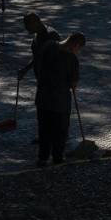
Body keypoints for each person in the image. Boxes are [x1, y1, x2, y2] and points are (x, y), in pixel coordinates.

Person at [36, 32, 86, 166]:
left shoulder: (49, 46)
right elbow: (73, 83)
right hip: (60, 101)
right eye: (79, 48)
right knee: (60, 130)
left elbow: (38, 66)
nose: (78, 51)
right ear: (75, 45)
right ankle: (57, 157)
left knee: (44, 129)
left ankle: (43, 158)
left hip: (43, 98)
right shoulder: (72, 59)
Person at [19, 13, 61, 145]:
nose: (26, 29)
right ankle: (44, 135)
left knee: (52, 109)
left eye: (28, 26)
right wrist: (25, 69)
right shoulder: (37, 36)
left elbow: (61, 58)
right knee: (42, 110)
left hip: (53, 81)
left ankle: (55, 135)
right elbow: (37, 57)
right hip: (42, 79)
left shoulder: (51, 36)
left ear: (36, 22)